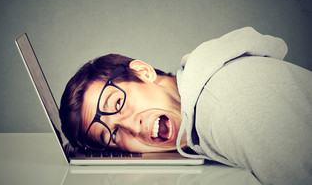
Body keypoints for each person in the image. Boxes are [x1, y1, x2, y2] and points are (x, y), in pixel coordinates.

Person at [59, 27, 312, 185]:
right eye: (112, 135)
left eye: (116, 103)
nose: (131, 127)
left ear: (143, 72)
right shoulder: (195, 105)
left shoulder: (227, 108)